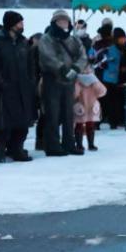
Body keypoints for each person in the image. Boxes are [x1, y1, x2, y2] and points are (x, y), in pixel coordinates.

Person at [0, 11, 39, 163]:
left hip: (23, 88)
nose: (22, 26)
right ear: (12, 24)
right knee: (3, 123)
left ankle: (17, 150)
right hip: (4, 88)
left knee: (23, 122)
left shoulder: (22, 42)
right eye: (19, 23)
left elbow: (31, 63)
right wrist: (1, 83)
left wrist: (31, 80)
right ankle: (1, 151)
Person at [35, 10, 84, 156]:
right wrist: (61, 68)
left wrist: (75, 69)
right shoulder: (46, 39)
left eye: (65, 21)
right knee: (52, 113)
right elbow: (47, 56)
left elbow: (82, 55)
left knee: (68, 114)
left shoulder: (74, 40)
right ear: (54, 22)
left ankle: (69, 143)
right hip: (52, 79)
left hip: (69, 81)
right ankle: (52, 145)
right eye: (60, 20)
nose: (63, 23)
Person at [97, 28, 126, 129]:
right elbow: (102, 62)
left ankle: (118, 120)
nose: (123, 40)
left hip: (118, 79)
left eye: (124, 38)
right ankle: (112, 122)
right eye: (121, 38)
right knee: (110, 102)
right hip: (109, 79)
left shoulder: (124, 49)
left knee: (118, 101)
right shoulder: (110, 49)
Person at [72, 65, 106, 152]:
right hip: (89, 105)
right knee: (89, 125)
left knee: (80, 125)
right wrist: (95, 81)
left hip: (81, 105)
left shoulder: (78, 80)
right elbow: (102, 91)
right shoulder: (93, 80)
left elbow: (74, 94)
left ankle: (80, 145)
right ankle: (89, 144)